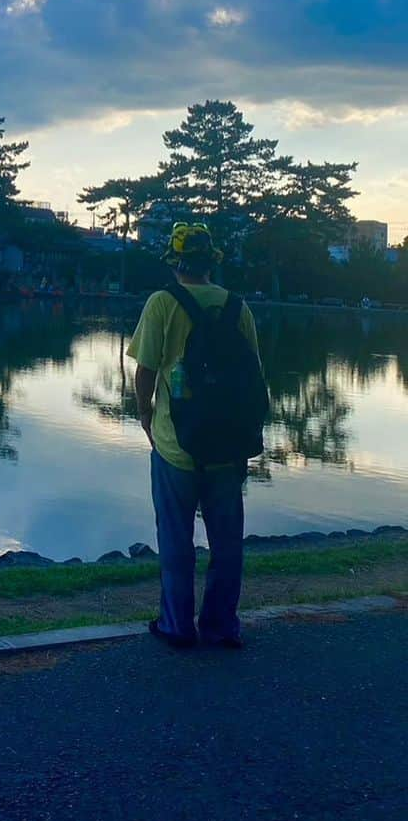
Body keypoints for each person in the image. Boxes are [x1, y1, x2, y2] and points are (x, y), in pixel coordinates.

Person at [127, 223, 262, 650]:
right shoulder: (238, 308)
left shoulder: (162, 303)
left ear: (176, 261)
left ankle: (177, 625)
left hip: (175, 445)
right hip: (227, 447)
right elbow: (254, 377)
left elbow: (145, 371)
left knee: (175, 537)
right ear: (212, 263)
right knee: (226, 543)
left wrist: (145, 417)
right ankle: (221, 625)